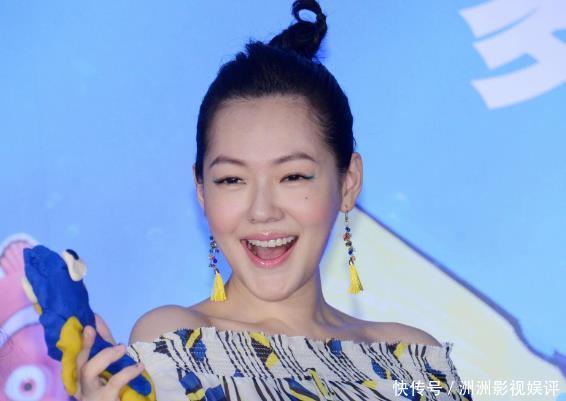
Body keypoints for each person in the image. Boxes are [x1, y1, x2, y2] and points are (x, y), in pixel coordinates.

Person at [74, 1, 473, 400]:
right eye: (232, 179)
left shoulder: (415, 360)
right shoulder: (178, 340)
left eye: (292, 176)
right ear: (201, 190)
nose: (262, 211)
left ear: (348, 182)